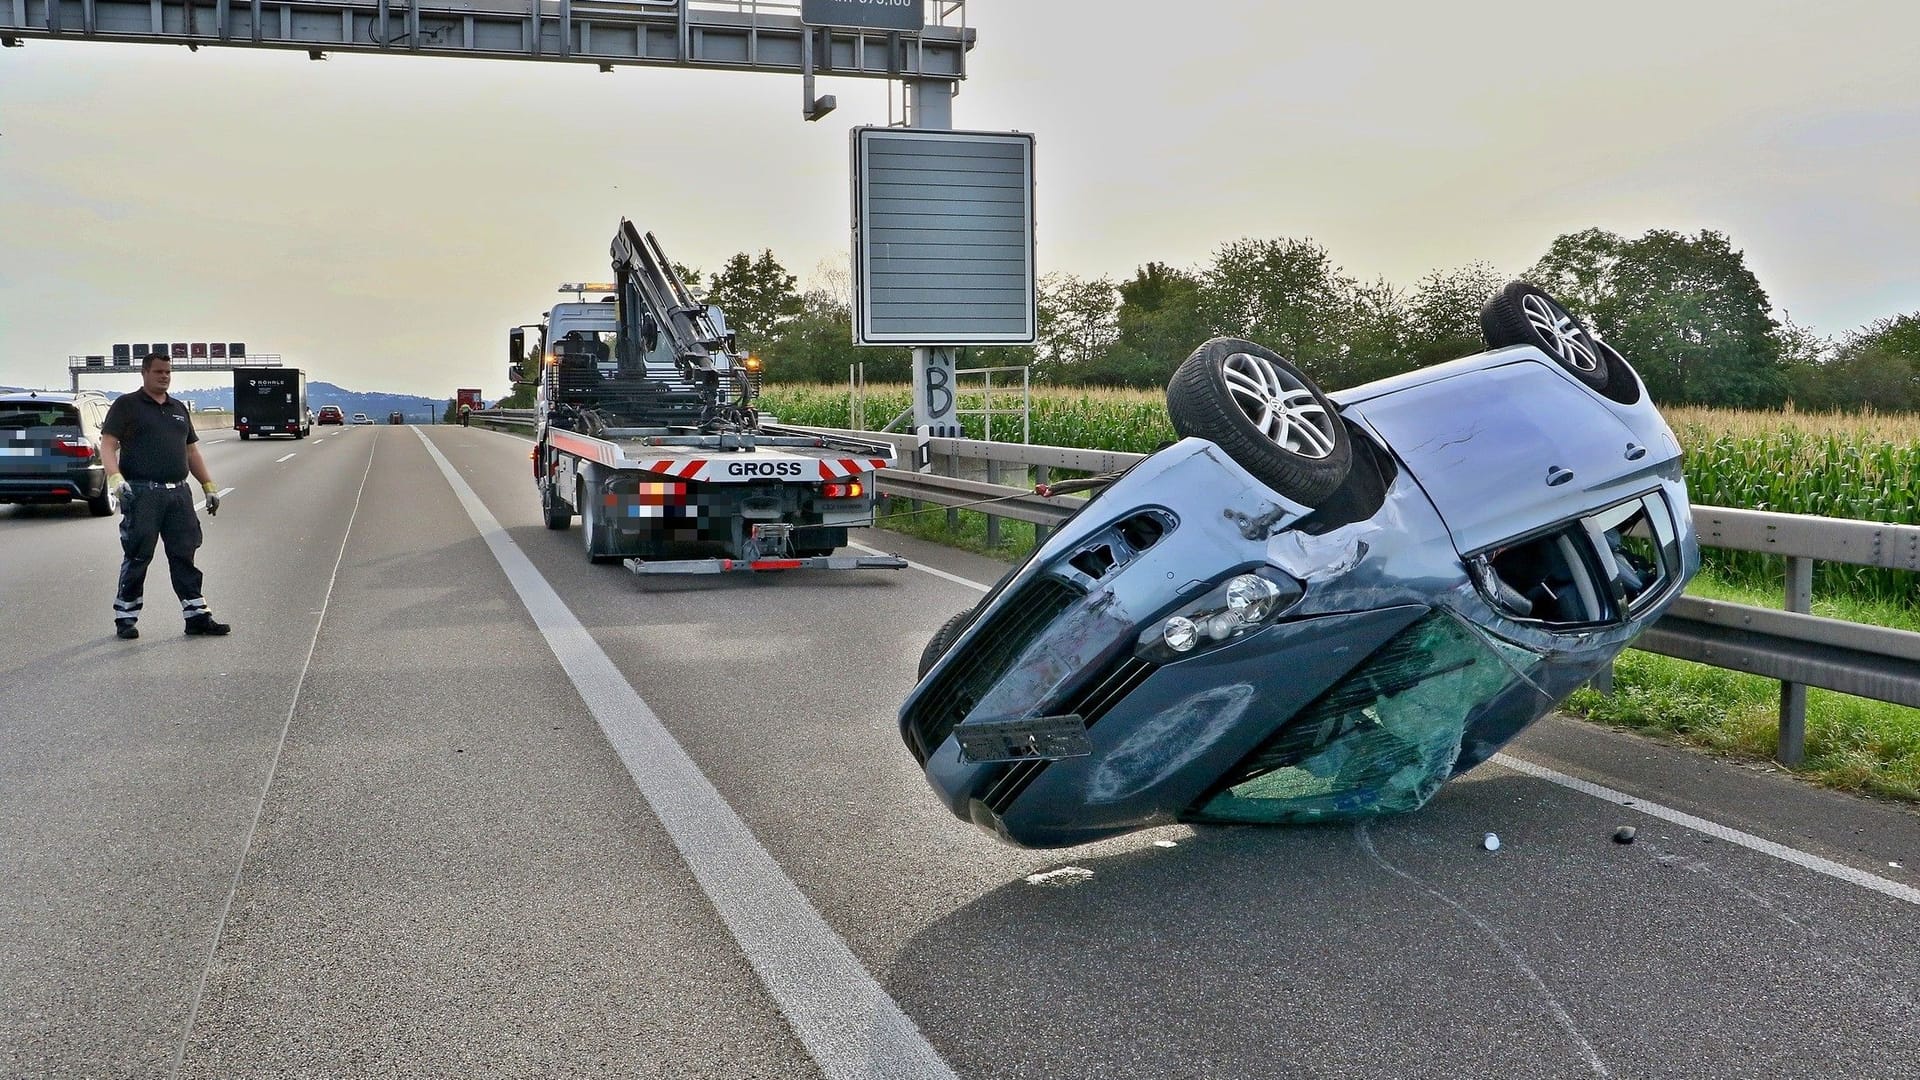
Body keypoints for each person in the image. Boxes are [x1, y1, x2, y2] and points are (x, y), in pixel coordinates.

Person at [100, 351, 230, 640]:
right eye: (158, 372)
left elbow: (191, 451)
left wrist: (208, 486)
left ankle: (197, 616)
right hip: (142, 493)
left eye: (168, 372)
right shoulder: (127, 406)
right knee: (138, 555)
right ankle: (126, 616)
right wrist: (116, 478)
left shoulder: (177, 408)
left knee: (184, 553)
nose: (164, 376)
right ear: (145, 373)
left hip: (178, 495)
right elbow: (107, 444)